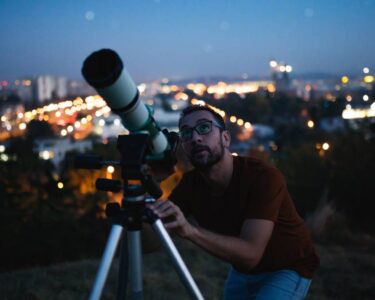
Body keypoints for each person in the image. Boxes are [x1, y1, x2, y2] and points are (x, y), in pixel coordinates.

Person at [148, 105, 319, 299]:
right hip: (242, 271)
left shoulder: (262, 177)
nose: (195, 138)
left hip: (287, 268)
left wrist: (190, 231)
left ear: (226, 138)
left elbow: (251, 254)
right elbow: (150, 244)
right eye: (186, 133)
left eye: (204, 128)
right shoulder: (190, 185)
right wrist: (149, 186)